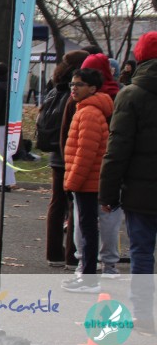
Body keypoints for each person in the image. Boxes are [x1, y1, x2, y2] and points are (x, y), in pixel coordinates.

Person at [100, 32, 157, 332]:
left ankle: (144, 313)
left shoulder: (131, 95)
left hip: (141, 190)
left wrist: (108, 193)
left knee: (142, 253)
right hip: (142, 187)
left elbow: (117, 149)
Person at [61, 68, 113, 294]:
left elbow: (85, 153)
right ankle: (86, 275)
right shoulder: (84, 109)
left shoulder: (89, 113)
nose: (74, 88)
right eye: (72, 84)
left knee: (88, 230)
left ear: (92, 88)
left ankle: (90, 279)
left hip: (87, 182)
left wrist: (72, 183)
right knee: (87, 228)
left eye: (79, 84)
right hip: (87, 180)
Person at [37, 49, 88, 268]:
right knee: (74, 203)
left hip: (56, 155)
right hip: (69, 154)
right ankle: (71, 256)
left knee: (57, 203)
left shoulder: (54, 90)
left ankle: (54, 253)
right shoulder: (74, 95)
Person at [80, 53, 124, 277]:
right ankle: (109, 264)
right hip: (114, 165)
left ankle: (84, 263)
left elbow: (80, 145)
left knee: (84, 220)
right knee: (109, 218)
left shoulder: (84, 106)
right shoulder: (120, 96)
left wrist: (73, 178)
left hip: (89, 170)